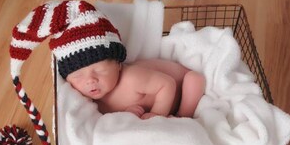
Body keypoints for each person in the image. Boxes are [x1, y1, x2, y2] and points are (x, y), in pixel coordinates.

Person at [66, 58, 205, 119]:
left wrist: (157, 114)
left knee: (193, 80)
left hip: (180, 86)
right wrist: (128, 114)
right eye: (78, 76)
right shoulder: (90, 104)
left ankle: (185, 116)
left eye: (100, 70)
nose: (90, 81)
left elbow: (167, 84)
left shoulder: (131, 78)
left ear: (118, 65)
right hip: (165, 102)